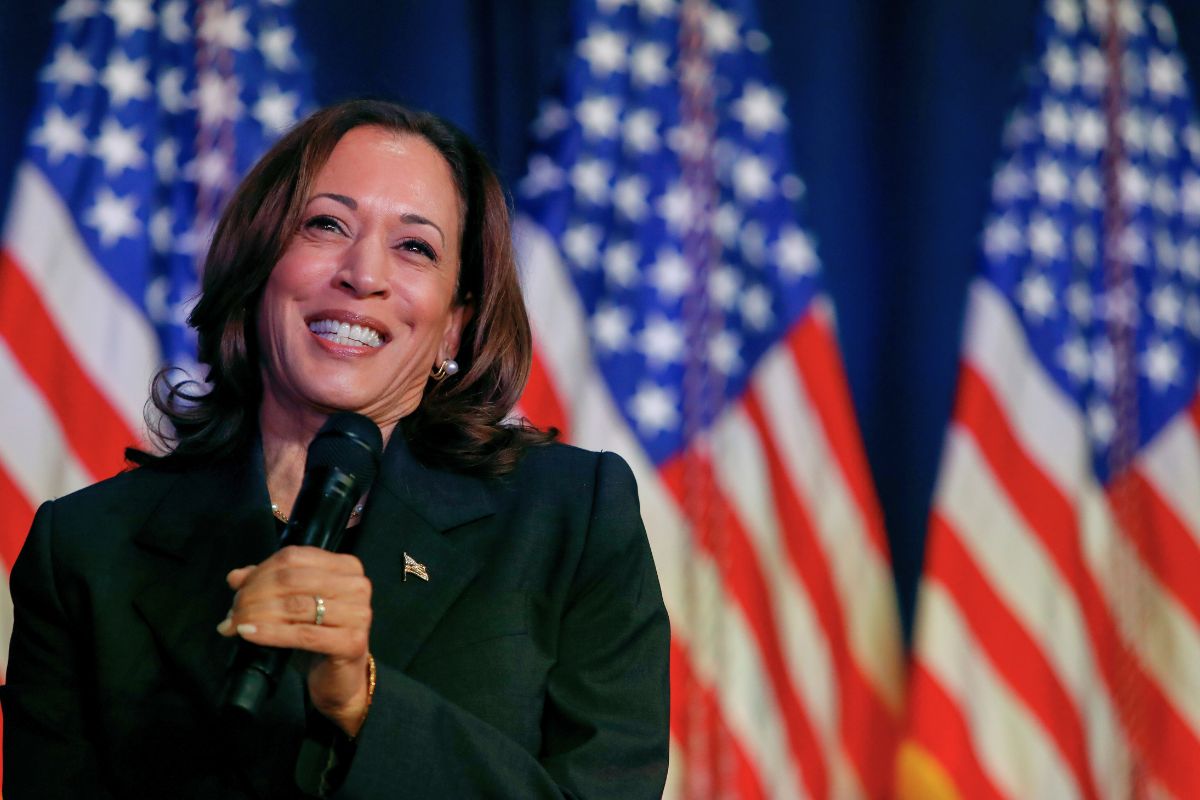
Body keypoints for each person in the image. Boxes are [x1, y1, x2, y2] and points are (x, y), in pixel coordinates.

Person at [1, 99, 670, 798]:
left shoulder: (569, 518)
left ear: (454, 325)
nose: (363, 274)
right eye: (326, 225)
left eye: (415, 247)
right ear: (260, 267)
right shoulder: (86, 549)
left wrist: (366, 702)